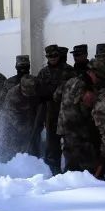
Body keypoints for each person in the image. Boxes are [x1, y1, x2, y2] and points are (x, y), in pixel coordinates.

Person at [57, 46, 98, 172]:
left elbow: (57, 95)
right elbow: (84, 108)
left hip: (65, 125)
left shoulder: (72, 80)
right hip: (75, 127)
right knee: (77, 161)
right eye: (97, 75)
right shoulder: (84, 85)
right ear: (91, 72)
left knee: (70, 157)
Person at [35, 45, 75, 174]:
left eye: (55, 56)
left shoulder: (69, 71)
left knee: (70, 143)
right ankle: (53, 172)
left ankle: (71, 171)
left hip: (67, 112)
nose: (52, 58)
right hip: (50, 112)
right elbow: (38, 92)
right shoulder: (43, 73)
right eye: (49, 56)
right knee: (52, 144)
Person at [0, 76, 40, 162]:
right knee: (11, 140)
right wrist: (24, 128)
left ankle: (32, 159)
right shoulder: (13, 95)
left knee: (31, 140)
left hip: (27, 115)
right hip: (10, 119)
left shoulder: (37, 89)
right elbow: (12, 115)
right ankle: (8, 162)